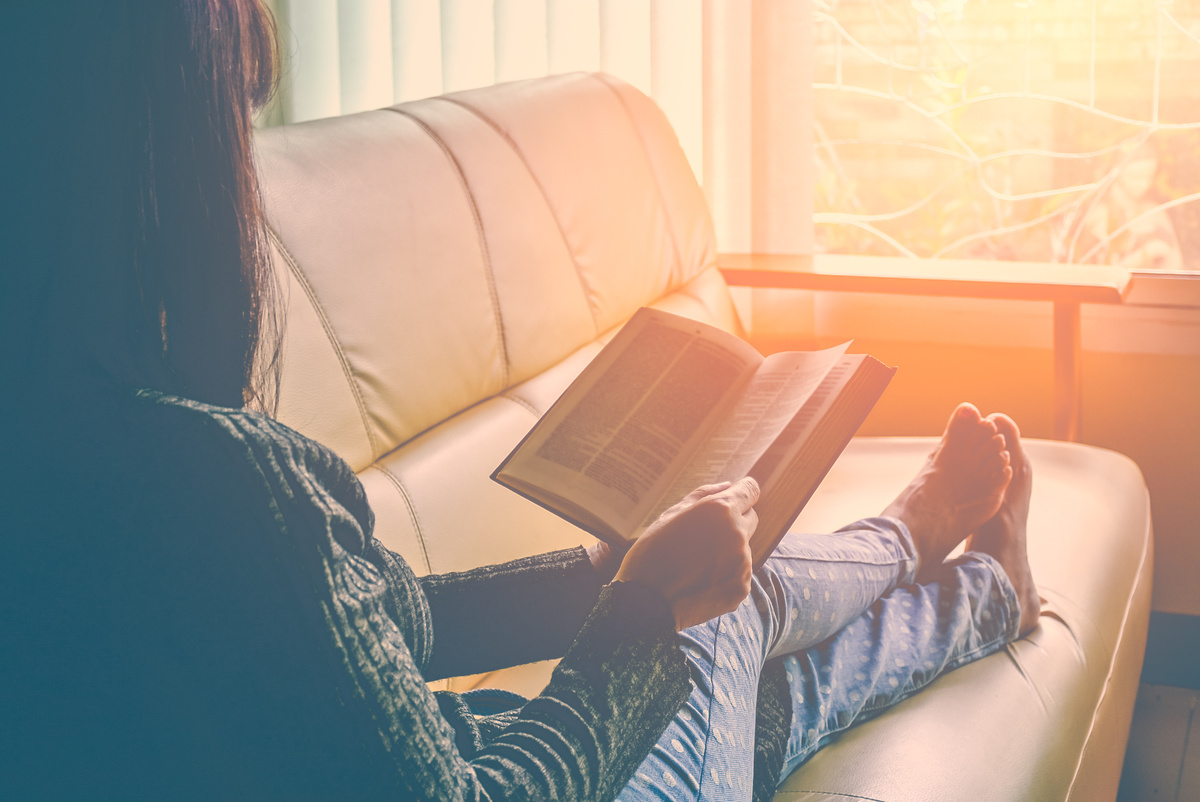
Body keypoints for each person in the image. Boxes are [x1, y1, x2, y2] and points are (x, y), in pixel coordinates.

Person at [0, 2, 1039, 800]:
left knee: (765, 696)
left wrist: (611, 571)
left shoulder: (71, 454)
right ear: (154, 168)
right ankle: (921, 532)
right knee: (729, 615)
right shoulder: (222, 487)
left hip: (490, 731)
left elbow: (397, 622)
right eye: (234, 118)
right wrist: (643, 605)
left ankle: (981, 586)